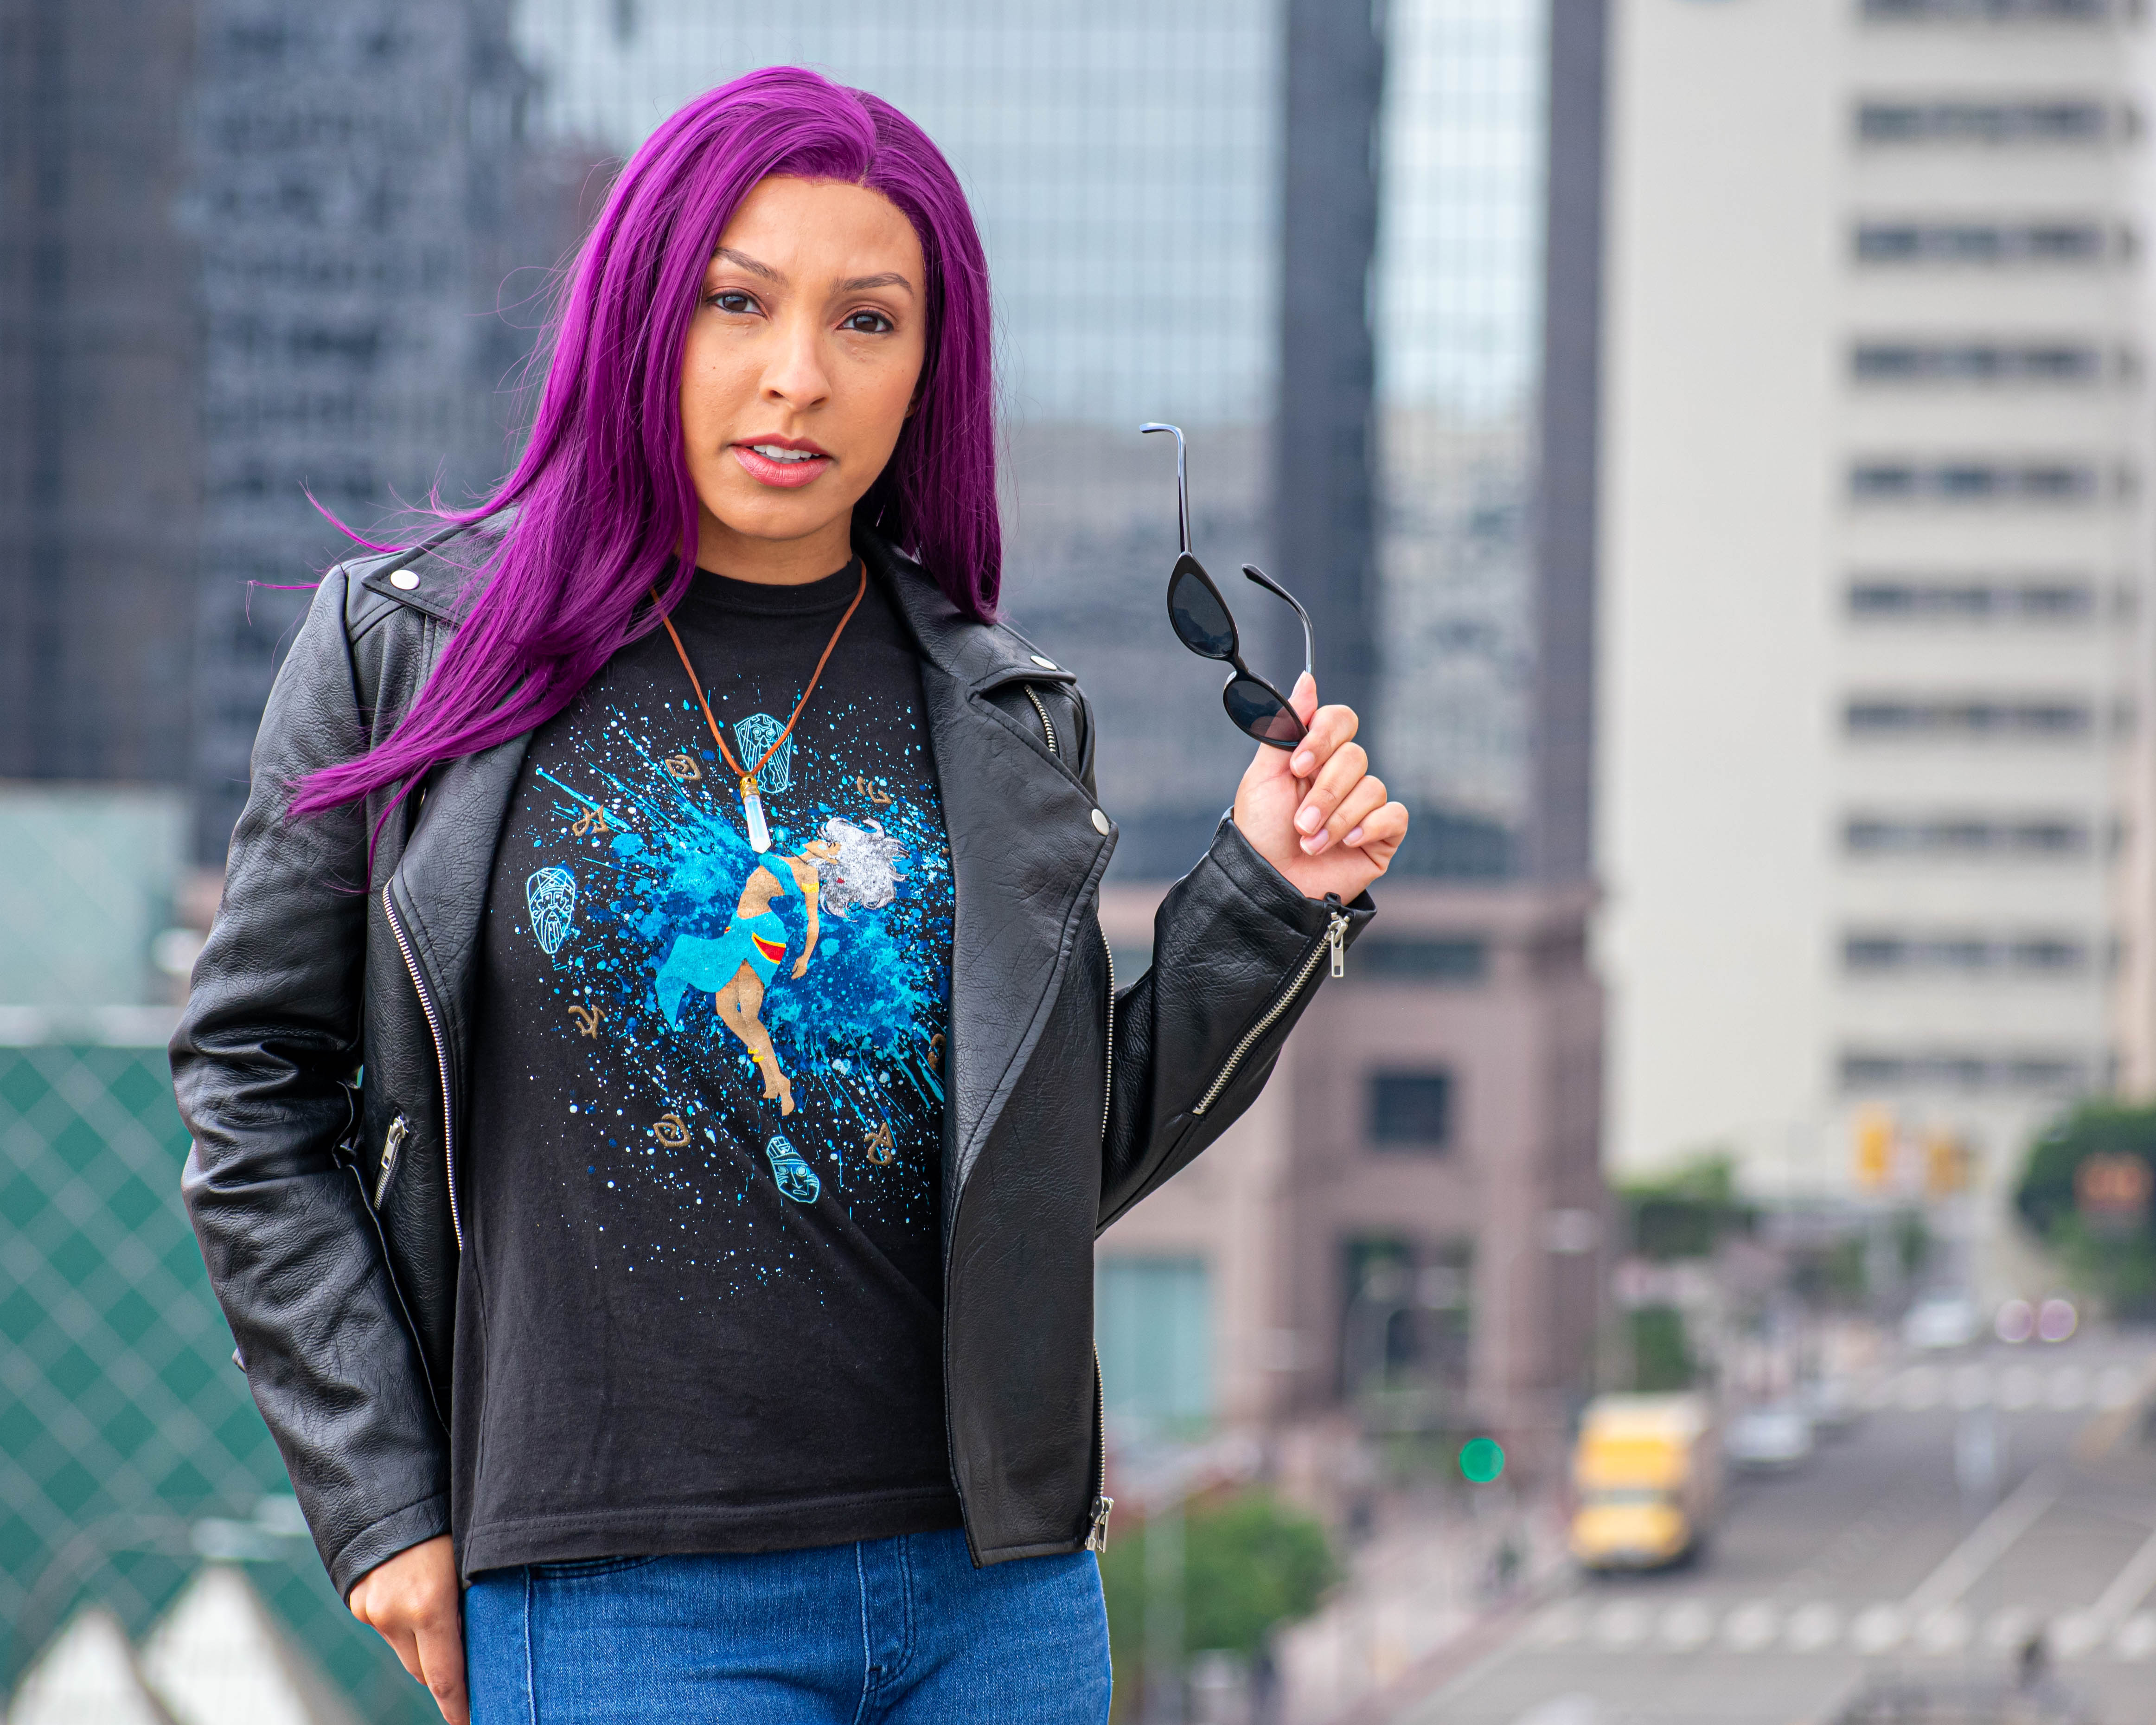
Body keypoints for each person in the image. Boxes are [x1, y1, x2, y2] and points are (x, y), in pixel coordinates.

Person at [171, 66, 1406, 1725]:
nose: (795, 376)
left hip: (994, 1593)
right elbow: (251, 1093)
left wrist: (1267, 898)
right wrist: (382, 1502)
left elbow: (1045, 1164)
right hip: (616, 1591)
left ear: (926, 373)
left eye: (868, 322)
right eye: (735, 302)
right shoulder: (405, 652)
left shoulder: (1004, 713)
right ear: (637, 316)